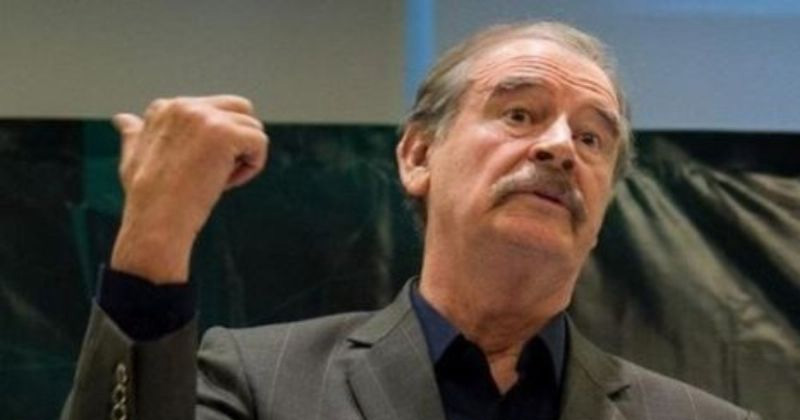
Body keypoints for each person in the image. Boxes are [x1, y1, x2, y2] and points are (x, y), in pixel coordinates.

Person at [61, 21, 760, 420]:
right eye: (519, 114)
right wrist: (154, 235)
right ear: (419, 155)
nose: (558, 148)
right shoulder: (259, 381)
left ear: (604, 206)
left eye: (591, 138)